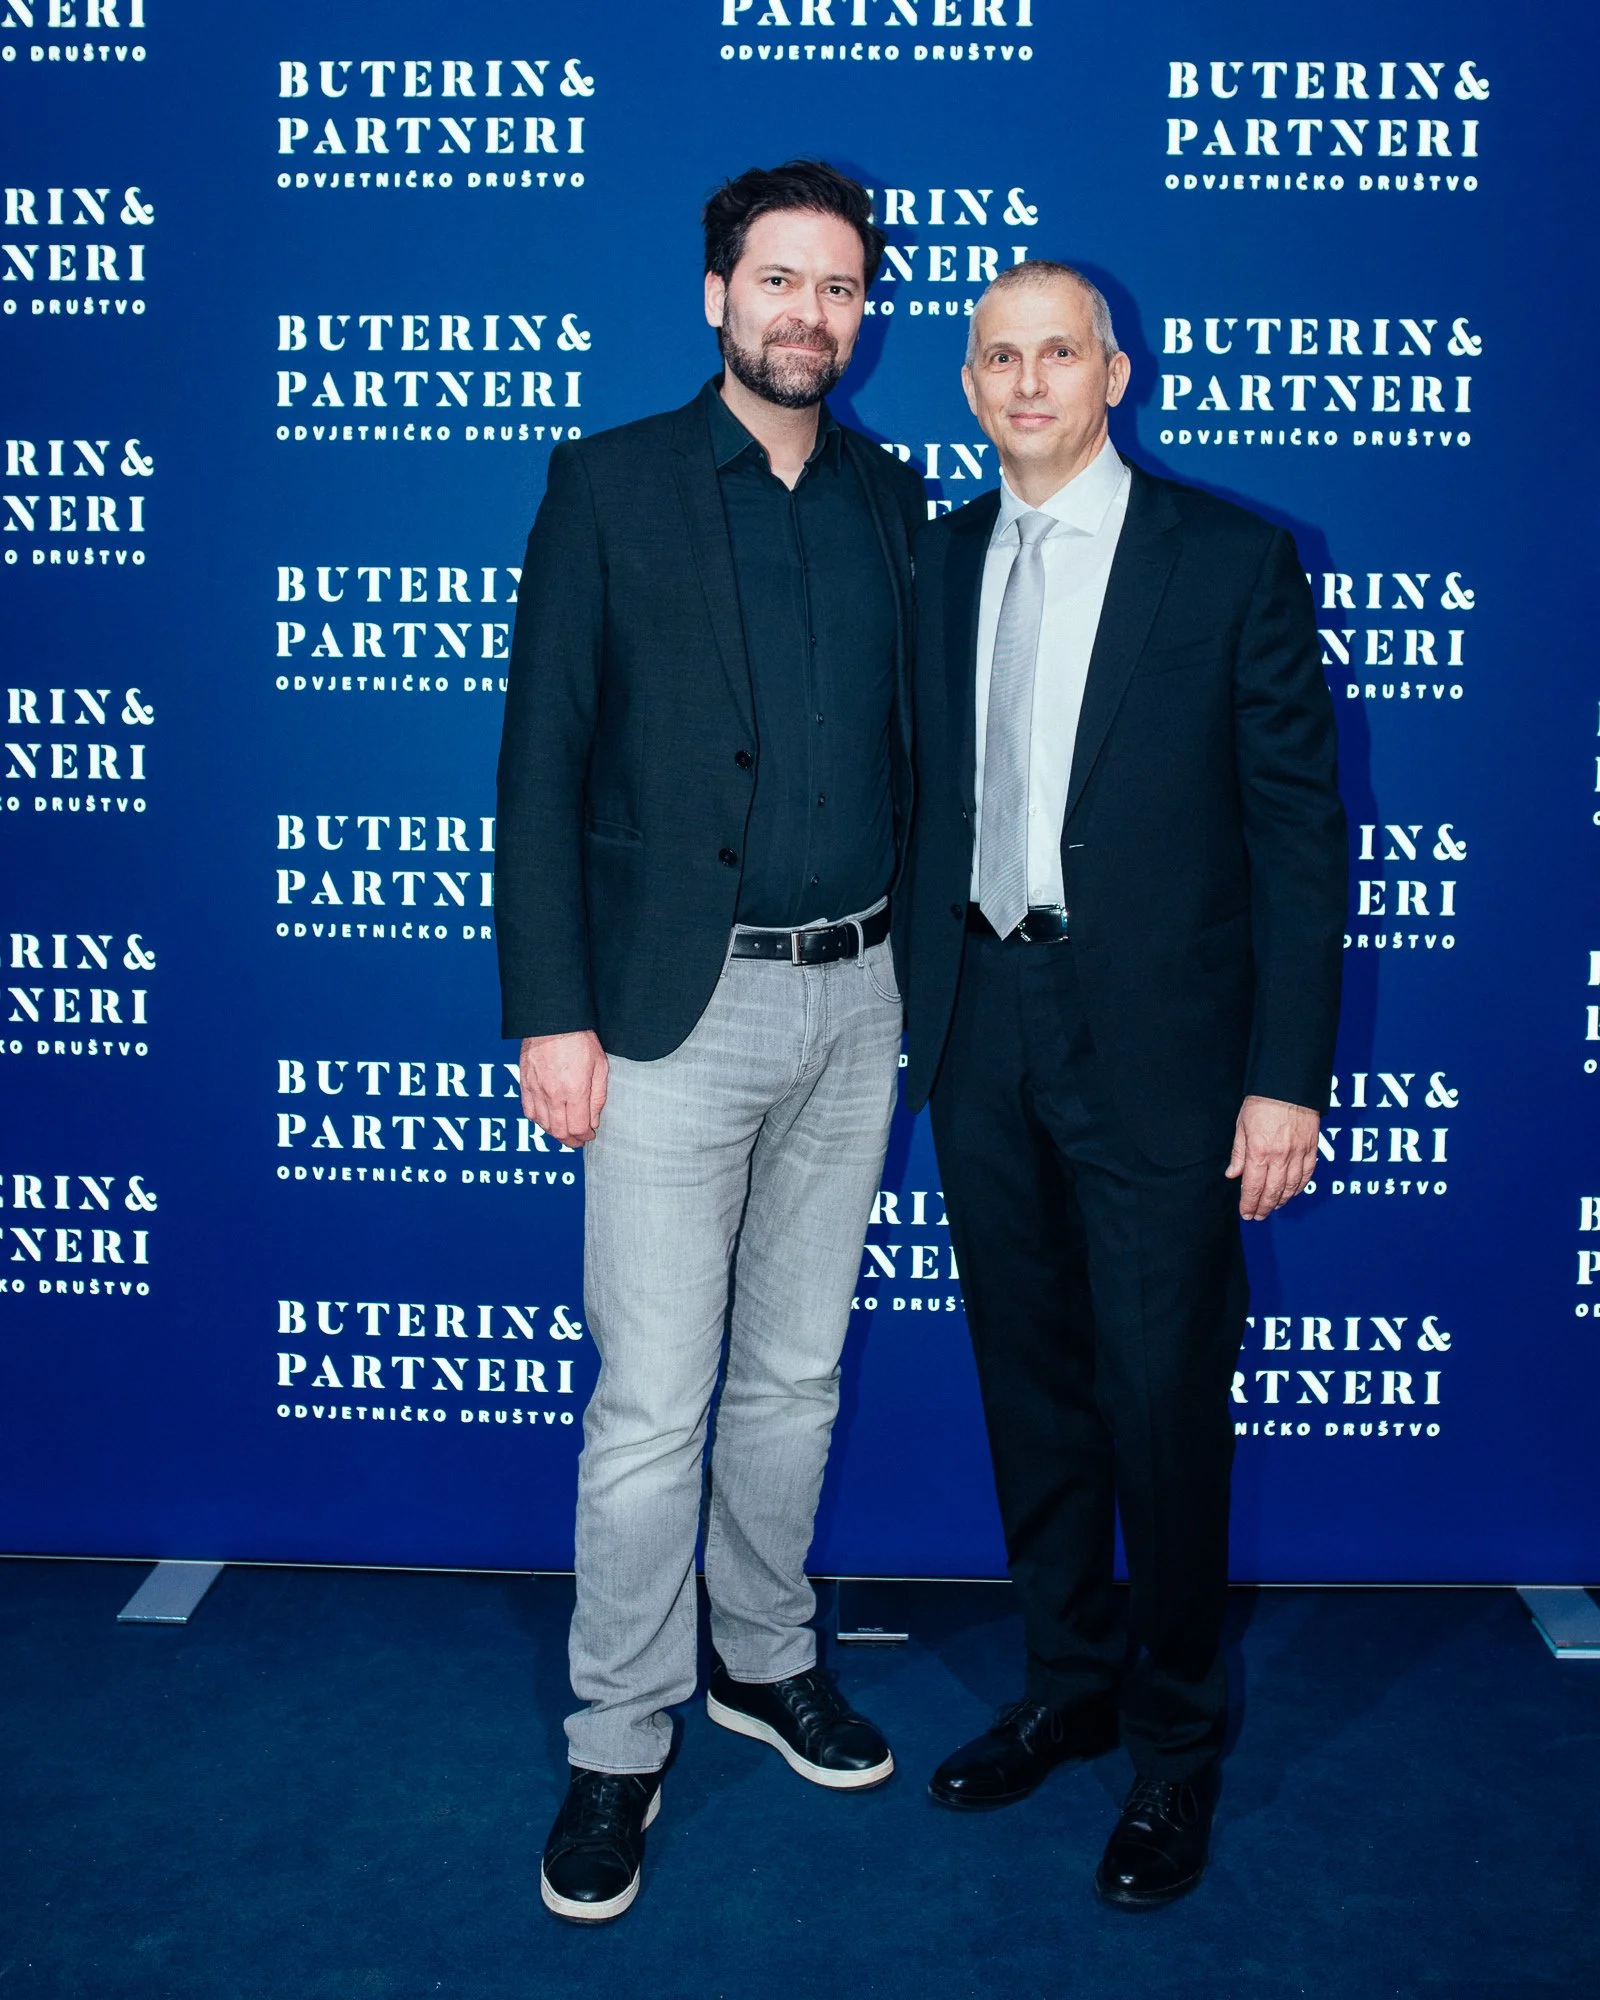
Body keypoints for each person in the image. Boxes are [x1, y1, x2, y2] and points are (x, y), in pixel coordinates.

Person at [494, 160, 925, 1925]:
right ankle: (617, 1738)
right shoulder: (608, 486)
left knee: (796, 1380)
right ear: (714, 297)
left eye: (836, 288)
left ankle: (758, 1657)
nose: (804, 313)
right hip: (671, 1008)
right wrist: (551, 1013)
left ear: (861, 314)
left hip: (867, 997)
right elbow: (538, 766)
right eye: (776, 281)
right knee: (653, 1403)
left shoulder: (902, 499)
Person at [902, 261, 1347, 1908]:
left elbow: (1304, 841)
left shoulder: (1227, 561)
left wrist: (1282, 1079)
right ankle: (1067, 1687)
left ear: (1118, 373)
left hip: (1163, 1049)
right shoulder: (939, 558)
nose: (1029, 382)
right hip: (979, 1023)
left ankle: (1173, 1752)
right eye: (999, 357)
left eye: (1058, 354)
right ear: (968, 386)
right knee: (1034, 1388)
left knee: (1163, 1408)